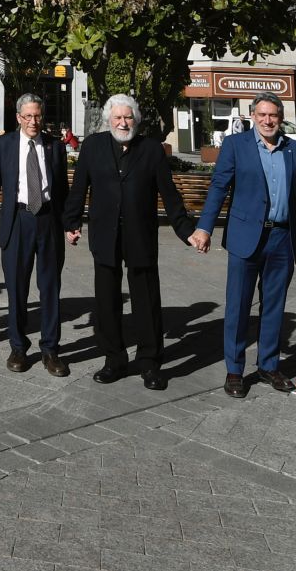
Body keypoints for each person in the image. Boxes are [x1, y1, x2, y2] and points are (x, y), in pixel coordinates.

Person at [190, 92, 296, 398]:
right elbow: (219, 187)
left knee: (274, 306)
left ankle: (269, 365)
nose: (268, 120)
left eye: (274, 115)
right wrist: (204, 227)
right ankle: (234, 370)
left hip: (282, 238)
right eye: (262, 115)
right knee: (239, 306)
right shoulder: (236, 146)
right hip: (246, 238)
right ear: (253, 116)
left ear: (280, 119)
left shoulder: (294, 150)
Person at [63, 94, 197, 390]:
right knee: (107, 301)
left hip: (140, 235)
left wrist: (186, 230)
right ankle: (114, 360)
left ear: (136, 119)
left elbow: (170, 194)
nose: (123, 123)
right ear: (108, 120)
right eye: (118, 118)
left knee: (146, 302)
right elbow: (79, 188)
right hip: (104, 234)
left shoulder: (151, 149)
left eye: (128, 117)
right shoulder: (93, 146)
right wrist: (71, 223)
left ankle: (150, 363)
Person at [0, 93, 68, 376]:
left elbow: (62, 191)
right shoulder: (5, 145)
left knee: (50, 288)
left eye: (37, 116)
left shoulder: (55, 147)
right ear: (18, 118)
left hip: (48, 221)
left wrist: (70, 224)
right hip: (17, 222)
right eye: (28, 116)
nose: (33, 122)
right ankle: (18, 346)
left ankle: (51, 350)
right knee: (16, 288)